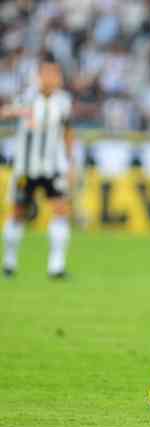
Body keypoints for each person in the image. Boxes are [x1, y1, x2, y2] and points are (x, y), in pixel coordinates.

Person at [1, 56, 74, 279]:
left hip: (53, 167)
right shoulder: (27, 97)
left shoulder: (63, 101)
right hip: (26, 167)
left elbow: (68, 131)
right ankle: (9, 262)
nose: (55, 78)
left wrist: (70, 163)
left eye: (57, 74)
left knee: (61, 210)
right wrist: (17, 113)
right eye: (50, 74)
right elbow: (6, 112)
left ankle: (56, 266)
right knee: (18, 213)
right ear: (40, 76)